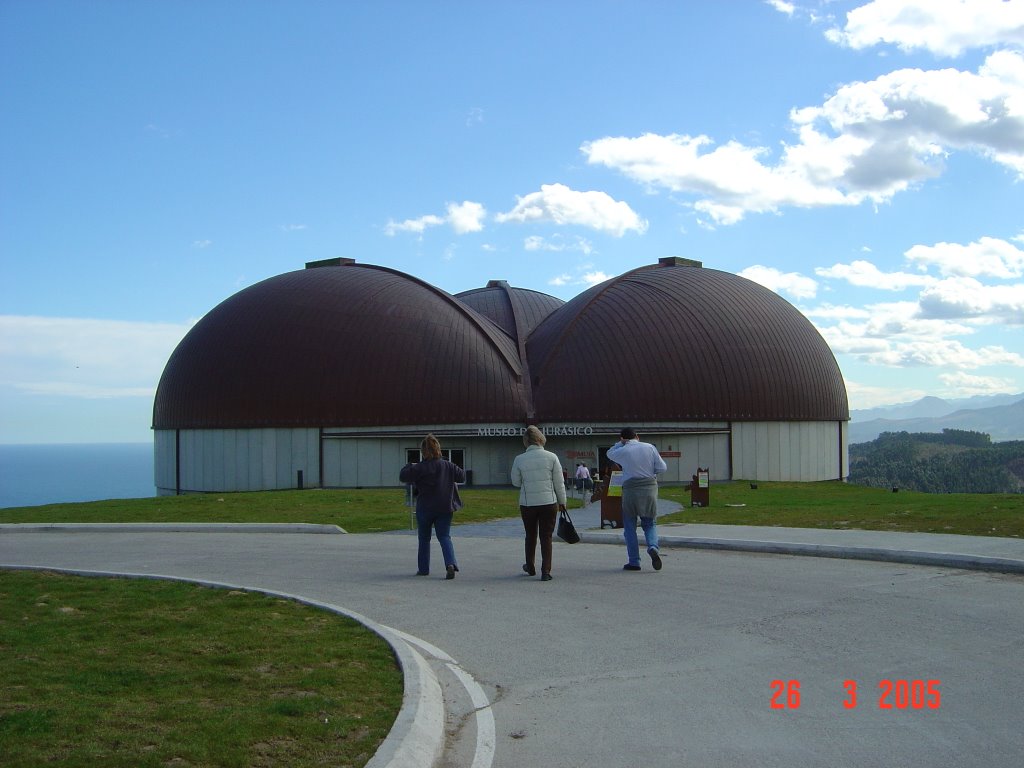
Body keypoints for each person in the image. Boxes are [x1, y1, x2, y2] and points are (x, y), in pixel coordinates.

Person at [400, 434, 466, 579]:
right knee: (444, 536)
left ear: (424, 451)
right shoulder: (447, 465)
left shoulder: (420, 468)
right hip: (445, 507)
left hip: (425, 508)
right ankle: (450, 564)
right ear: (438, 449)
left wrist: (410, 465)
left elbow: (403, 476)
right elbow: (462, 476)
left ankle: (423, 569)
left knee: (424, 539)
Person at [606, 427, 667, 571]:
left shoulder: (622, 451)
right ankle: (653, 546)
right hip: (649, 487)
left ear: (622, 439)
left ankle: (634, 561)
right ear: (637, 436)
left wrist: (620, 443)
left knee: (629, 527)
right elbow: (662, 468)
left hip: (630, 489)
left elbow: (609, 453)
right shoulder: (650, 447)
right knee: (650, 522)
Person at [510, 425, 567, 581]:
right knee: (546, 536)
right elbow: (559, 482)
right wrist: (562, 501)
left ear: (526, 441)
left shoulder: (519, 459)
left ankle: (530, 565)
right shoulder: (552, 457)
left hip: (528, 504)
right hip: (549, 502)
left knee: (530, 535)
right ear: (540, 438)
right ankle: (546, 571)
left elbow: (515, 482)